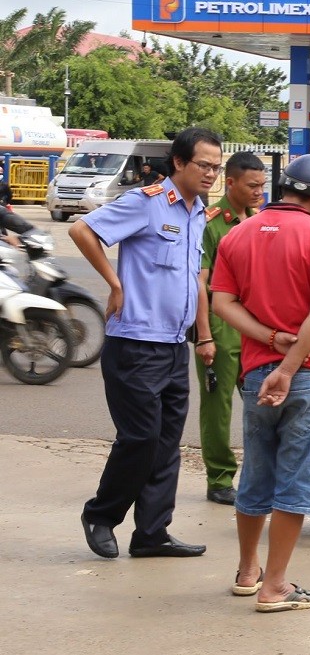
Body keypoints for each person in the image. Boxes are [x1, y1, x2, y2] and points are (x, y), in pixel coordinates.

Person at [211, 153, 310, 612]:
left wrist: (268, 340)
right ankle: (275, 586)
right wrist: (289, 365)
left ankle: (247, 571)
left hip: (254, 374)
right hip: (307, 377)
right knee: (296, 479)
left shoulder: (238, 234)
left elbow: (223, 304)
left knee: (256, 471)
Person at [70, 126, 221, 560]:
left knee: (167, 443)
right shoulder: (147, 202)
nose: (211, 173)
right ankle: (101, 514)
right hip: (136, 342)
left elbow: (193, 278)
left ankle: (152, 532)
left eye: (216, 166)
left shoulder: (196, 213)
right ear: (179, 163)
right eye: (204, 165)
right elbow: (83, 231)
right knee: (140, 438)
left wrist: (201, 334)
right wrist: (114, 282)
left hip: (175, 345)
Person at [194, 151, 267, 506]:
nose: (258, 192)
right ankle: (219, 478)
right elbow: (200, 283)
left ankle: (260, 474)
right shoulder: (211, 222)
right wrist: (204, 336)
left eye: (263, 186)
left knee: (262, 403)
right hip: (220, 326)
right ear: (231, 182)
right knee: (218, 407)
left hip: (251, 324)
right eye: (252, 185)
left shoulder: (258, 221)